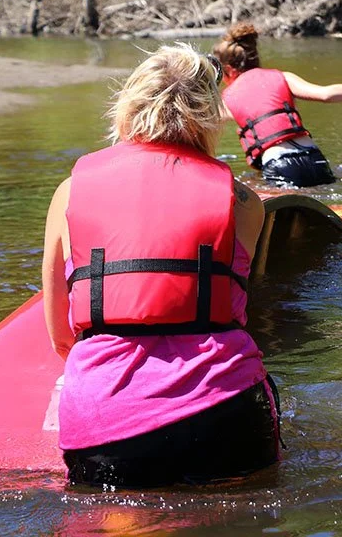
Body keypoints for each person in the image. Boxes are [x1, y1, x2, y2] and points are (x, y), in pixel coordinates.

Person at [42, 44, 279, 488]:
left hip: (108, 415)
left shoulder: (70, 191)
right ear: (210, 116)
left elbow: (59, 334)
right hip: (225, 405)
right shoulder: (245, 203)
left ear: (127, 108)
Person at [212, 22, 342, 188]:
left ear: (226, 69)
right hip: (314, 158)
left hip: (280, 165)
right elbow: (327, 94)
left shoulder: (227, 97)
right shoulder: (282, 77)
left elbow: (200, 124)